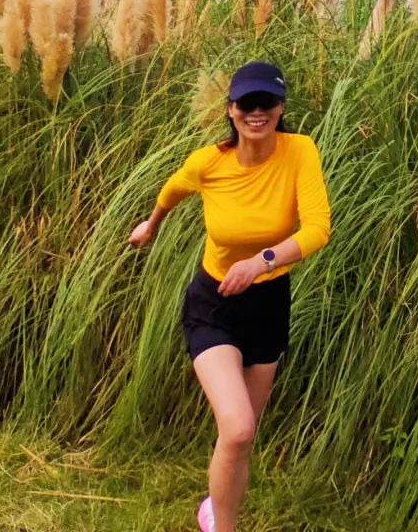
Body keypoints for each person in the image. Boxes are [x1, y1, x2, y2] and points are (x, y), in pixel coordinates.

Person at [128, 60, 331, 532]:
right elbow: (173, 188)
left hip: (268, 303)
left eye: (268, 102)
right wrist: (150, 224)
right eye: (247, 103)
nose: (257, 112)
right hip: (213, 303)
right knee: (237, 427)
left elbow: (319, 228)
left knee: (240, 436)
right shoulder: (209, 163)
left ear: (281, 108)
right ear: (231, 110)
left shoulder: (300, 151)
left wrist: (261, 261)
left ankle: (216, 508)